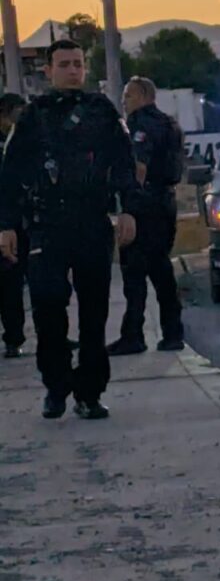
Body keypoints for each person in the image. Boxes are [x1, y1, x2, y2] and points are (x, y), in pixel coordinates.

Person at [0, 39, 140, 420]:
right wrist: (7, 226)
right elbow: (10, 174)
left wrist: (127, 209)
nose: (73, 70)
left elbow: (123, 164)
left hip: (91, 222)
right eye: (64, 64)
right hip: (46, 225)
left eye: (78, 63)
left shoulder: (102, 112)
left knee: (94, 312)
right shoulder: (34, 116)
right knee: (47, 306)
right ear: (49, 71)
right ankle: (56, 385)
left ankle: (89, 392)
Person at [107, 76, 185, 356]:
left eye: (128, 96)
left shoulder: (140, 125)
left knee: (135, 272)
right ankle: (173, 332)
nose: (125, 102)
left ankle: (133, 335)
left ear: (141, 96)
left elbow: (139, 167)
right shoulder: (169, 123)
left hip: (146, 205)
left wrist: (129, 207)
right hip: (166, 202)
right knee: (162, 269)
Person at [0, 93, 26, 359]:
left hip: (18, 222)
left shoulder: (20, 142)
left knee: (13, 284)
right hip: (6, 223)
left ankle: (14, 338)